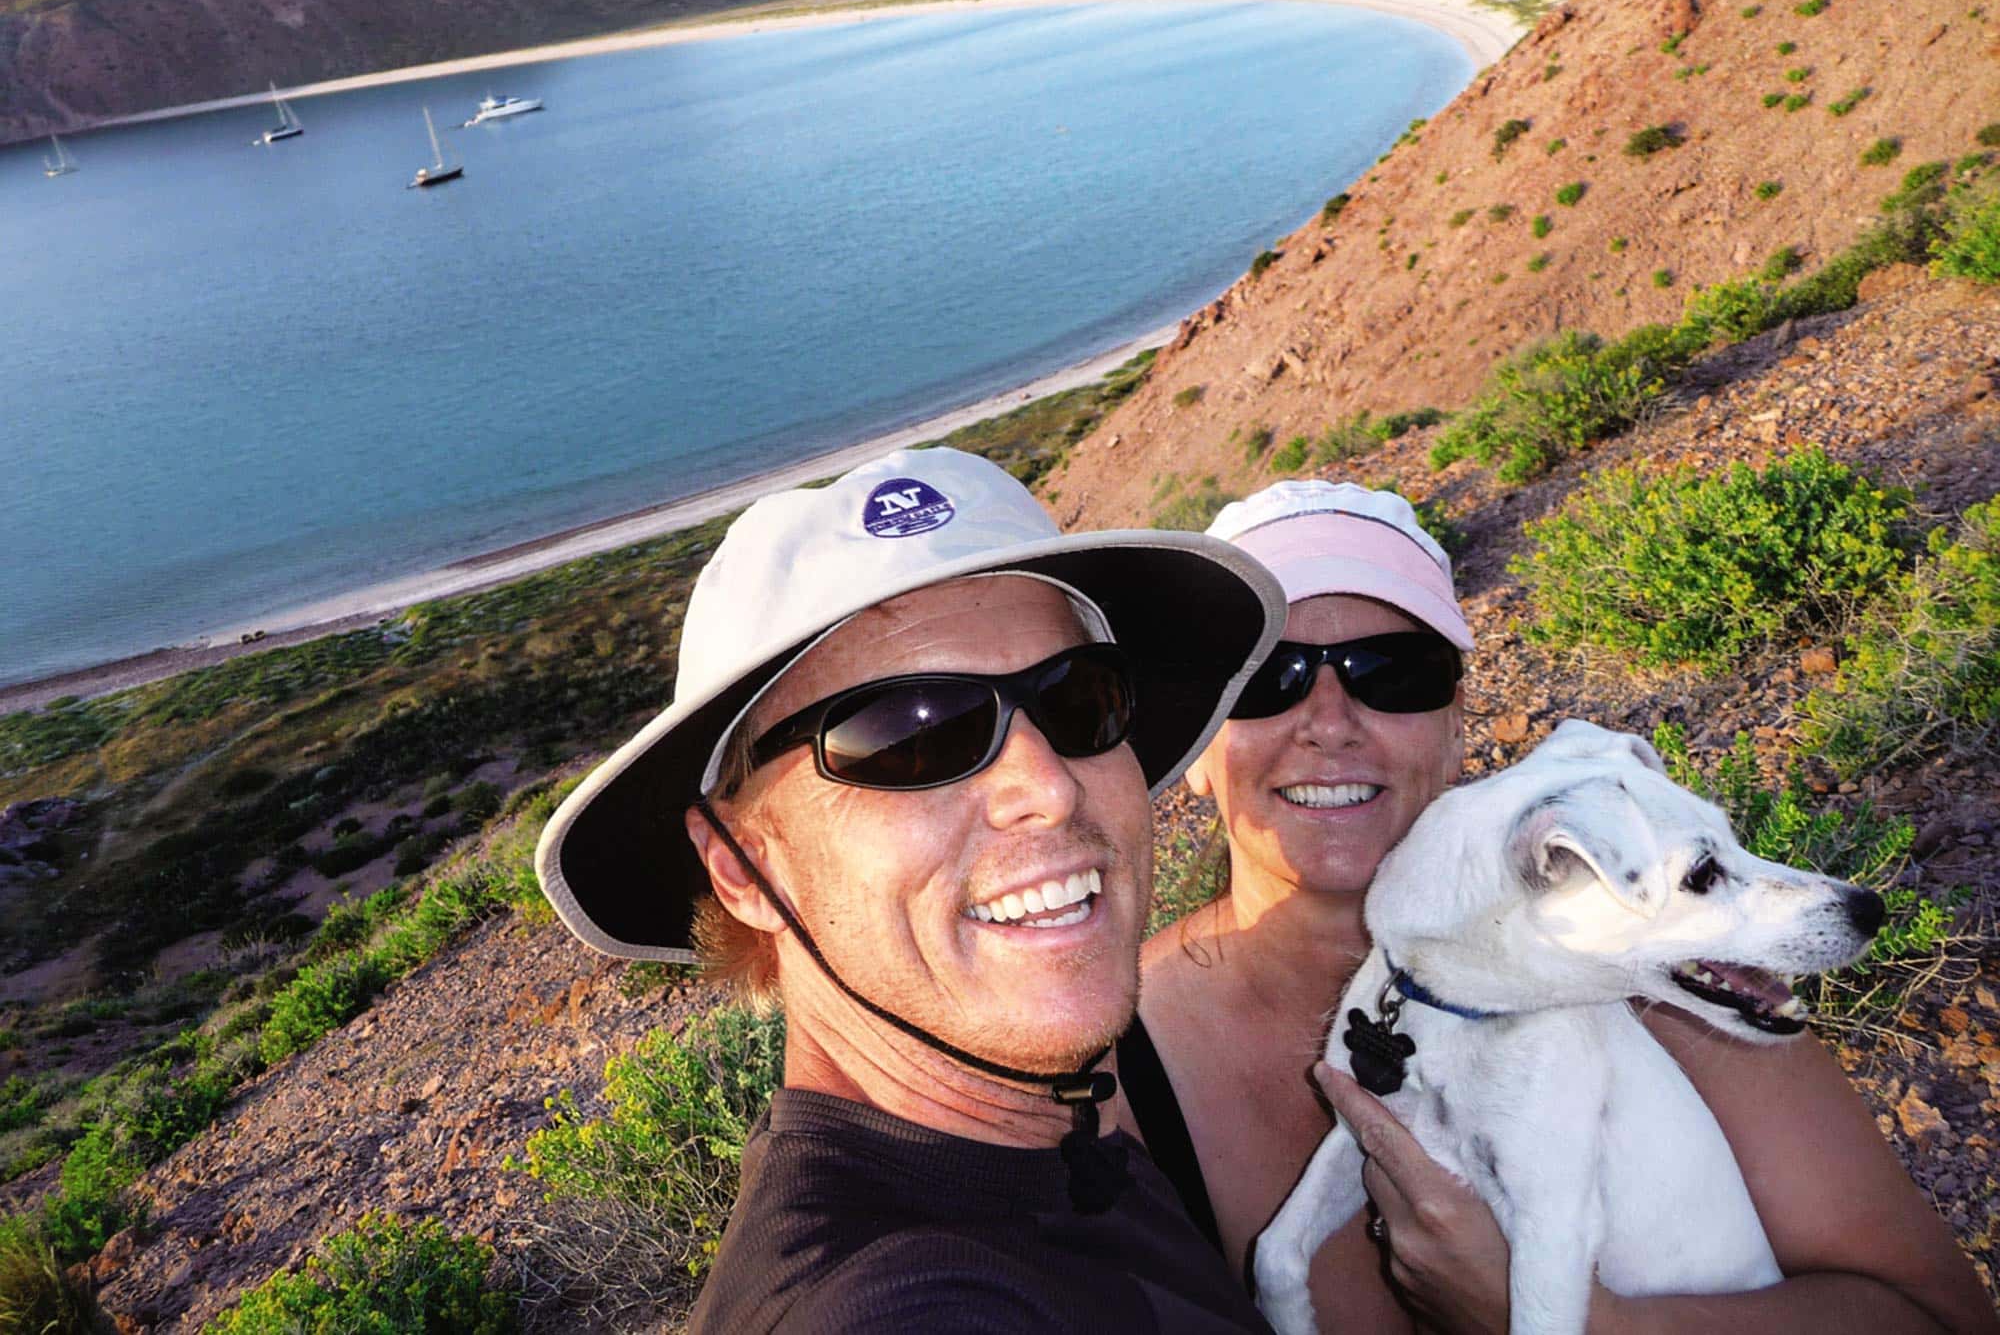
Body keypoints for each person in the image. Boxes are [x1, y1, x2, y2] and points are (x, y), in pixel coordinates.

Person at [1121, 479, 1997, 1334]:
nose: (1330, 720)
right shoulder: (1110, 1074)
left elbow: (1935, 1316)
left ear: (1457, 717)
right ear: (1198, 743)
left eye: (1393, 672)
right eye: (1268, 680)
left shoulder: (1665, 969)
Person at [536, 446, 1292, 1332]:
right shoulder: (890, 1304)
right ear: (741, 864)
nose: (1045, 786)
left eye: (1079, 700)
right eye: (911, 737)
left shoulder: (1053, 1143)